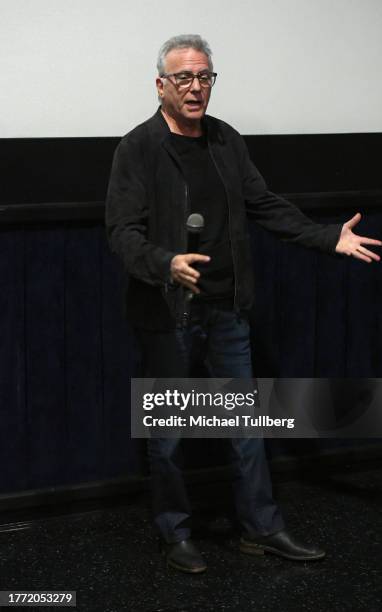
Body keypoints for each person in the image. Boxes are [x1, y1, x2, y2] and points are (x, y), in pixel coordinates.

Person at [105, 34, 381, 573]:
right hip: (167, 314)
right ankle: (175, 533)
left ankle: (262, 528)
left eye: (204, 77)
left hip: (227, 309)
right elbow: (121, 232)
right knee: (168, 436)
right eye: (183, 77)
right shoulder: (136, 148)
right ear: (160, 85)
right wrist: (166, 264)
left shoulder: (226, 141)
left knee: (247, 426)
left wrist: (329, 238)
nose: (195, 87)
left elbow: (265, 205)